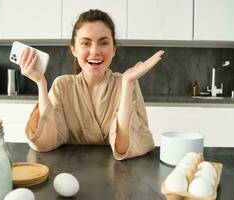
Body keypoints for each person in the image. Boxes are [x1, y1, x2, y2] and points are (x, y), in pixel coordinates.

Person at [20, 9, 164, 160]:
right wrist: (41, 84)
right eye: (86, 43)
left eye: (103, 43)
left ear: (113, 49)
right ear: (74, 49)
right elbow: (44, 142)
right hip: (69, 169)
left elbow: (123, 147)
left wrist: (127, 83)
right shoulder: (62, 86)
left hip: (117, 177)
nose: (94, 51)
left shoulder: (127, 84)